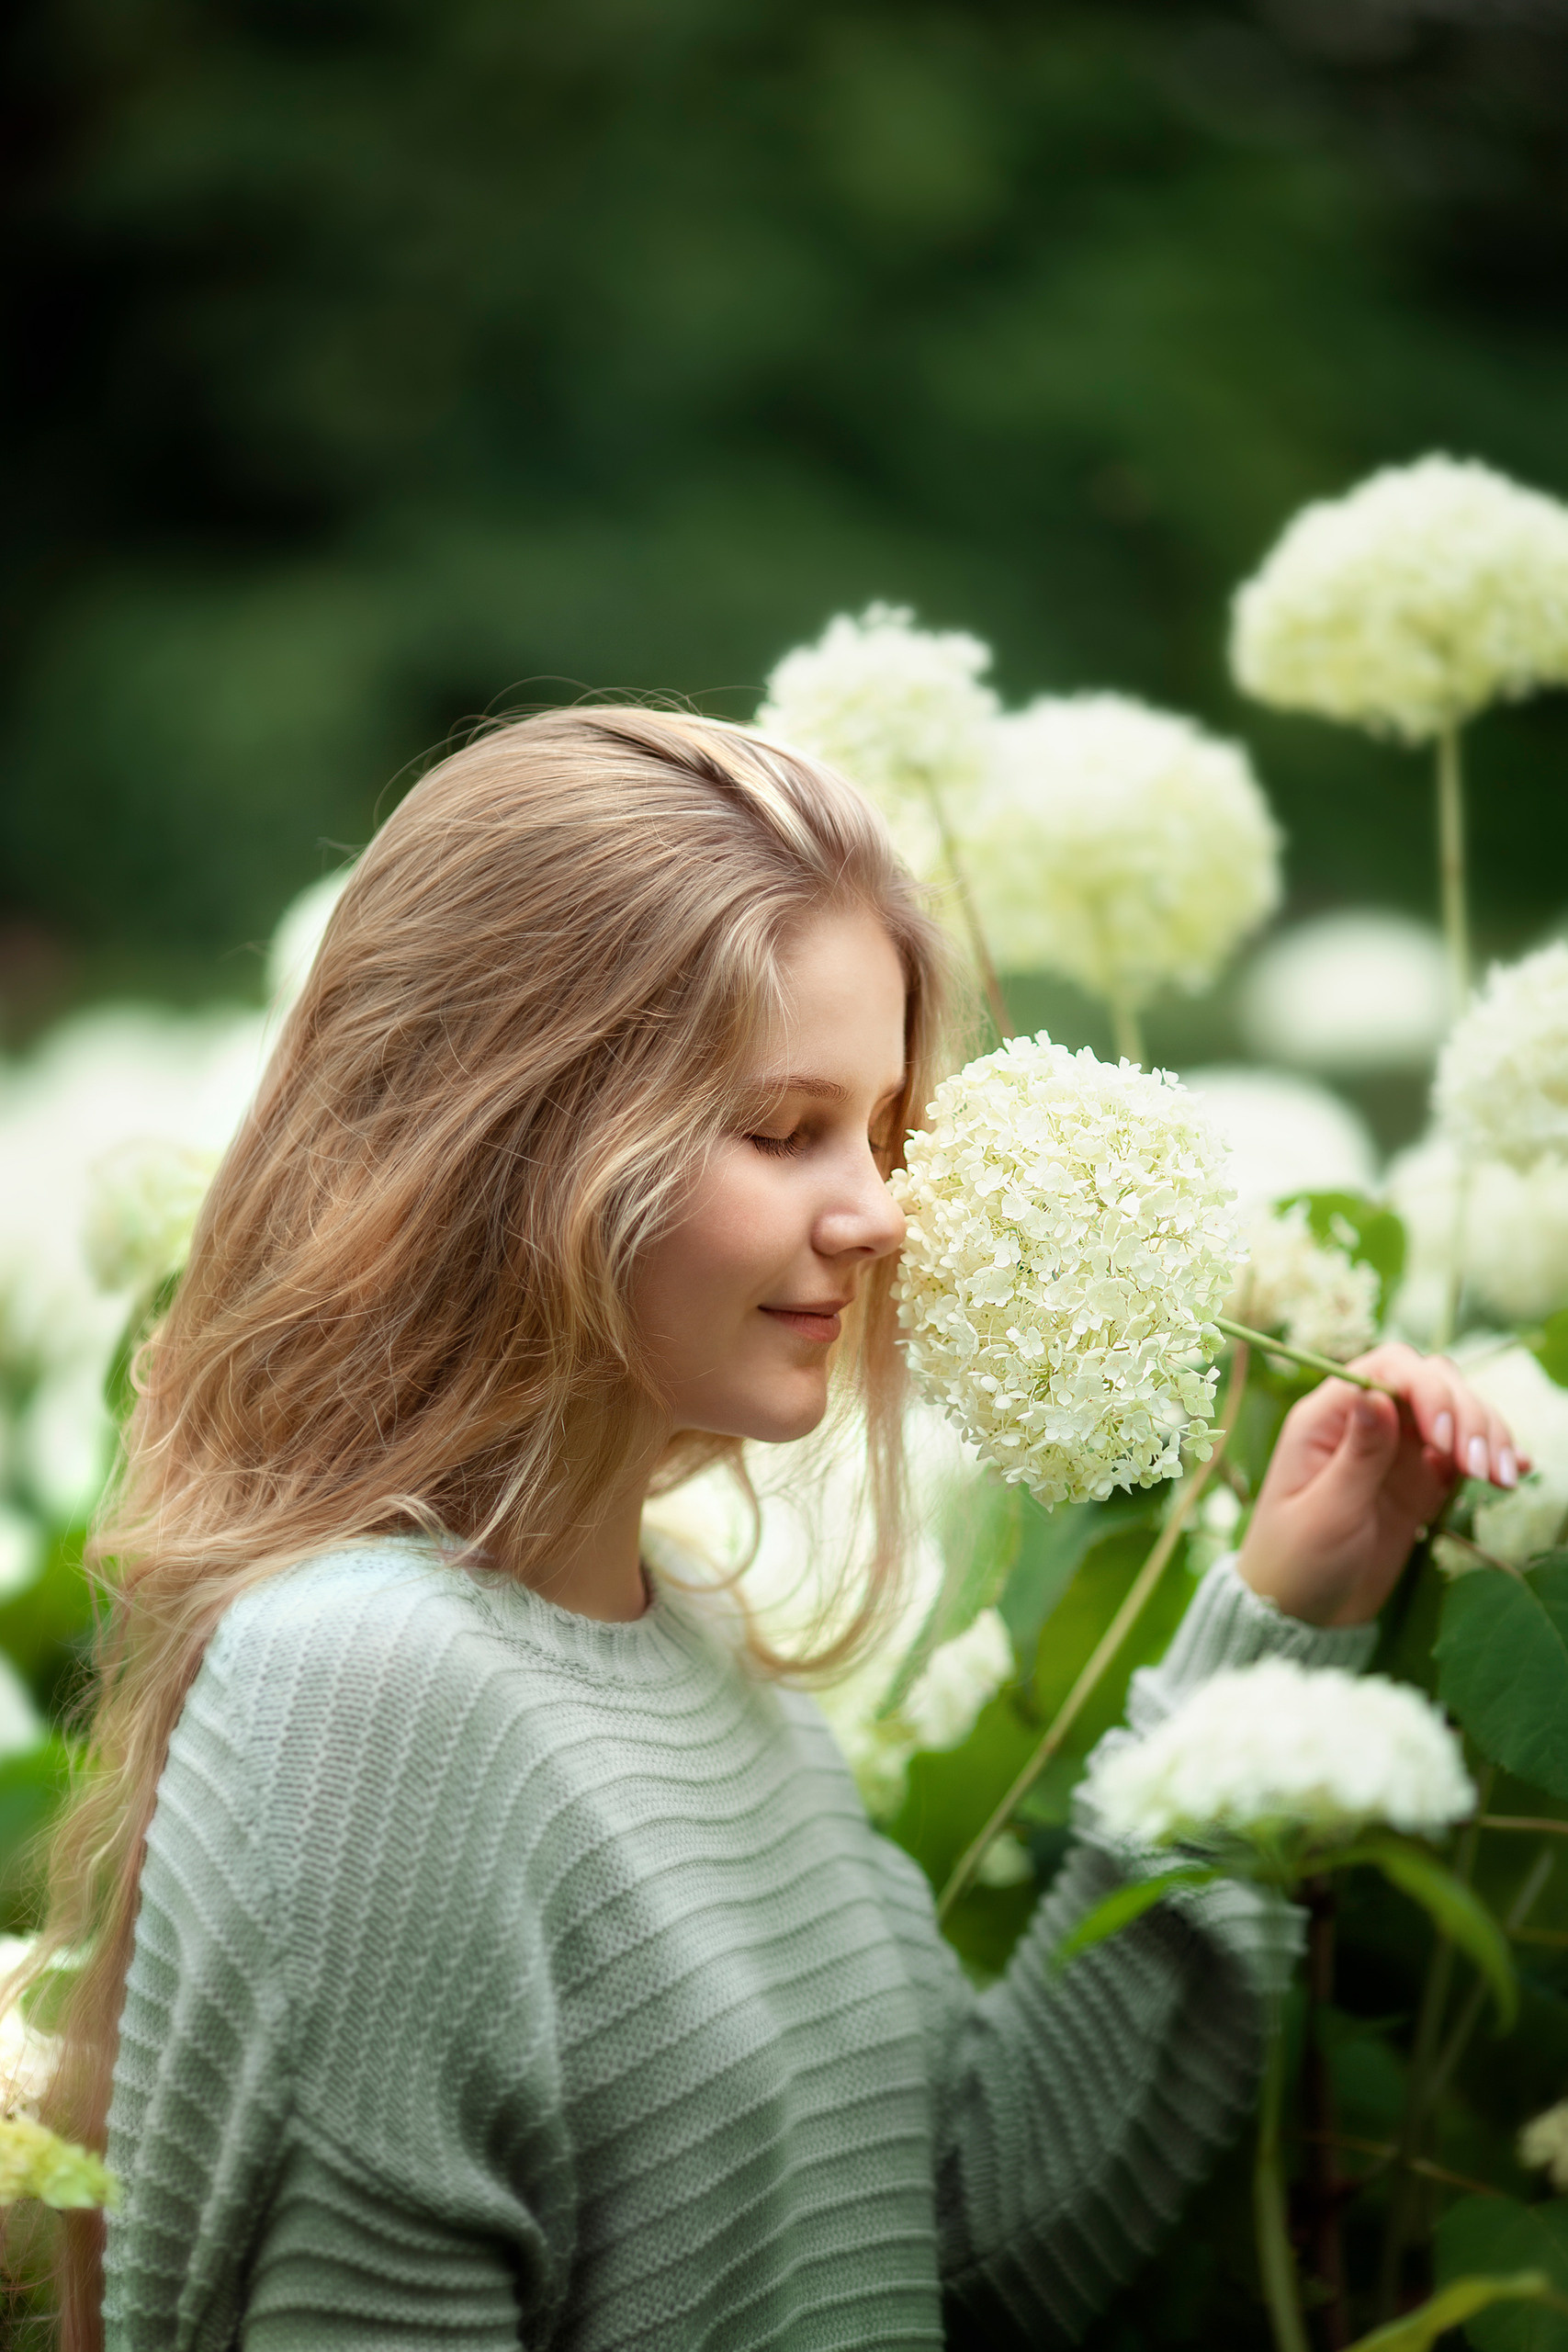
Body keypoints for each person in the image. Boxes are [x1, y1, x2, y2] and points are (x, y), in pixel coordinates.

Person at [28, 709, 1517, 2351]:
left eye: (880, 1130)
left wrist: (1278, 1627)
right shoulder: (371, 1694)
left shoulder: (703, 1650)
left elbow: (961, 2229)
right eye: (779, 1127)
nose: (882, 1211)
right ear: (518, 1145)